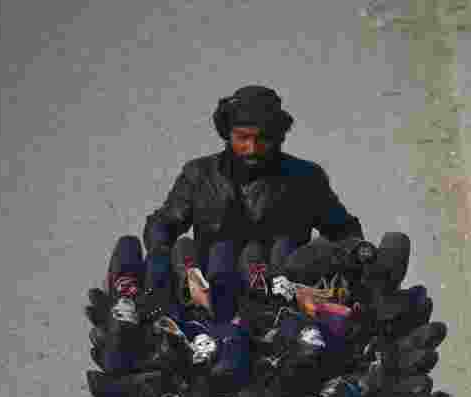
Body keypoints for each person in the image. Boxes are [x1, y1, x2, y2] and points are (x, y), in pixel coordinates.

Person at [143, 84, 366, 273]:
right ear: (227, 135)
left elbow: (344, 231)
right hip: (212, 291)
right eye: (242, 138)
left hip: (286, 293)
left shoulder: (306, 177)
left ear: (278, 137)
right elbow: (164, 223)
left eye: (263, 139)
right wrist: (161, 254)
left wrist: (351, 256)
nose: (251, 148)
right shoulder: (199, 174)